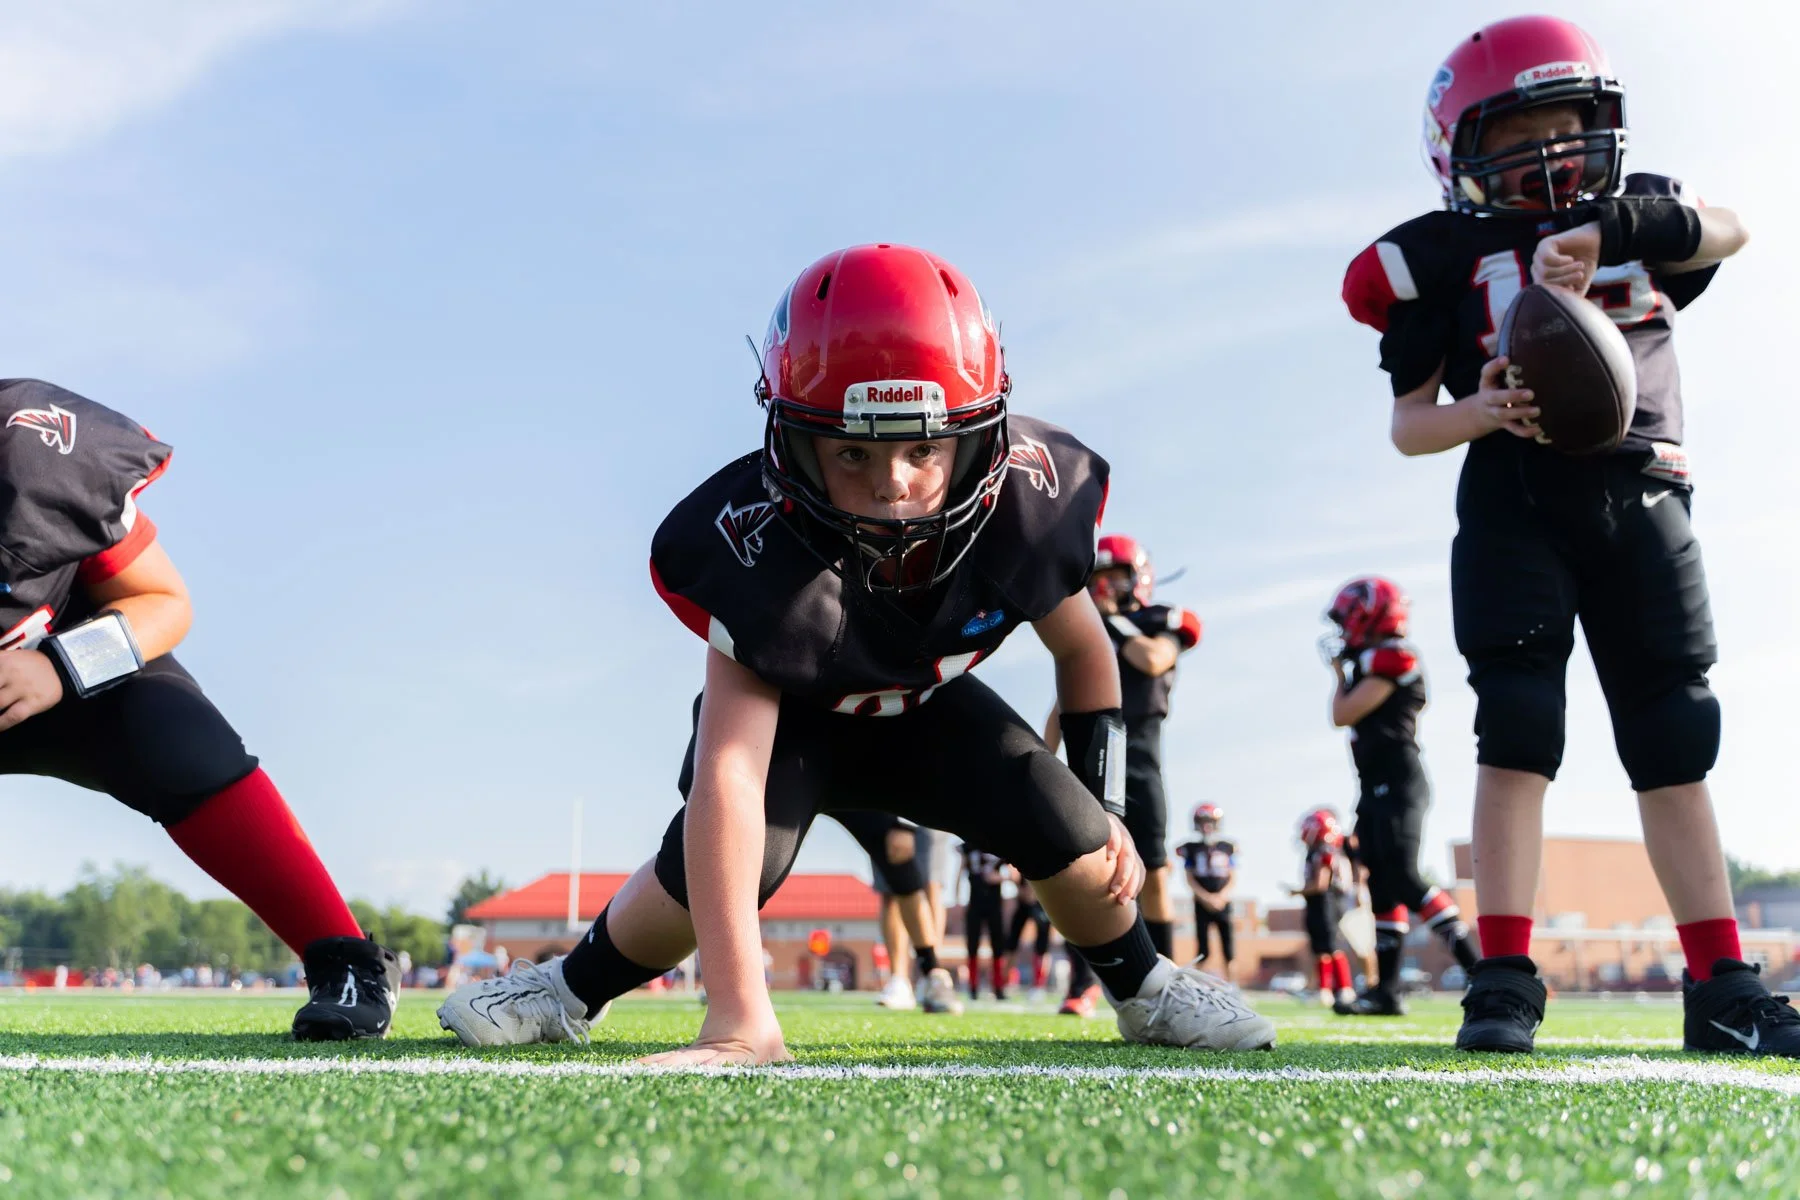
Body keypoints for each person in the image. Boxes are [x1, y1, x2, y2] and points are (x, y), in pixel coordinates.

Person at [437, 244, 1275, 1060]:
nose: (891, 484)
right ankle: (565, 990)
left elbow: (1086, 655)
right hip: (794, 725)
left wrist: (1111, 812)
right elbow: (732, 771)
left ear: (979, 437)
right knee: (732, 859)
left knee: (1074, 828)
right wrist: (737, 1015)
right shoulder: (755, 544)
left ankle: (1146, 988)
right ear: (794, 443)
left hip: (925, 717)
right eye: (851, 452)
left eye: (922, 448)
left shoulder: (1027, 500)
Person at [1342, 15, 1797, 1055]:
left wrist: (1625, 231)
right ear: (1463, 152)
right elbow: (1412, 423)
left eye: (1566, 127)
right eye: (1517, 137)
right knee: (1516, 729)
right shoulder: (1435, 256)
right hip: (1515, 492)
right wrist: (1484, 409)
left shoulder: (1636, 219)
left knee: (1675, 735)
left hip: (1645, 488)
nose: (1550, 154)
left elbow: (1730, 227)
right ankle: (1503, 975)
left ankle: (1721, 981)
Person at [0, 378, 399, 1040]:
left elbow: (164, 601)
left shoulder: (38, 454)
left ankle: (344, 960)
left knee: (175, 737)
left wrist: (59, 669)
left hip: (52, 673)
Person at [1045, 534, 1202, 1010]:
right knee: (1088, 863)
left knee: (1152, 870)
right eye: (1097, 581)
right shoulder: (1089, 632)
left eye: (1113, 578)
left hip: (1141, 751)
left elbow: (1152, 659)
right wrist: (1044, 756)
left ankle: (1165, 978)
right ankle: (1084, 983)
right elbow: (1064, 702)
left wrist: (1113, 621)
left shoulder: (1156, 622)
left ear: (1137, 578)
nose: (1103, 588)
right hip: (1093, 746)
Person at [1321, 578, 1477, 1016]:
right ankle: (1386, 991)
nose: (1343, 628)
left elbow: (1343, 712)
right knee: (1383, 883)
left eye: (1348, 617)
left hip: (1400, 781)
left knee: (1406, 877)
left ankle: (1478, 969)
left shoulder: (1393, 656)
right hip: (1374, 786)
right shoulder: (1371, 660)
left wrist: (1340, 673)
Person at [862, 817, 961, 1013]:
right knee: (890, 887)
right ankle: (898, 980)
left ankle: (932, 975)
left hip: (927, 794)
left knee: (931, 884)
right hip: (885, 801)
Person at [1290, 809, 1354, 1010]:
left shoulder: (1325, 850)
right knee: (1321, 949)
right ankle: (1324, 990)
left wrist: (1297, 891)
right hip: (1317, 903)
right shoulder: (1315, 851)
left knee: (1331, 947)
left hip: (1326, 902)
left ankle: (1344, 988)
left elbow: (1320, 884)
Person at [1176, 803, 1236, 981]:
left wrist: (1221, 896)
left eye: (1210, 821)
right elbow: (1189, 877)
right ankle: (1198, 984)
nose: (1207, 825)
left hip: (1223, 901)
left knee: (1228, 947)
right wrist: (1206, 897)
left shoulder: (1226, 847)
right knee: (1203, 947)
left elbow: (1232, 875)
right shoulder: (1191, 848)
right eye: (1203, 821)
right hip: (1201, 901)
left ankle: (1233, 985)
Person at [955, 843, 1011, 1001]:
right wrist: (957, 898)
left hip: (994, 904)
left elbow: (1014, 875)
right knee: (972, 945)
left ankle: (999, 987)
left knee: (998, 945)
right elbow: (960, 871)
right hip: (975, 902)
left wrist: (998, 877)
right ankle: (973, 987)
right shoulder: (969, 847)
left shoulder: (997, 845)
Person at [1006, 876, 1055, 1000]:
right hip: (1023, 902)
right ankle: (1009, 981)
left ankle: (1039, 985)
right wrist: (1020, 888)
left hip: (1042, 901)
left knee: (1042, 947)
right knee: (1012, 943)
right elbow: (1011, 870)